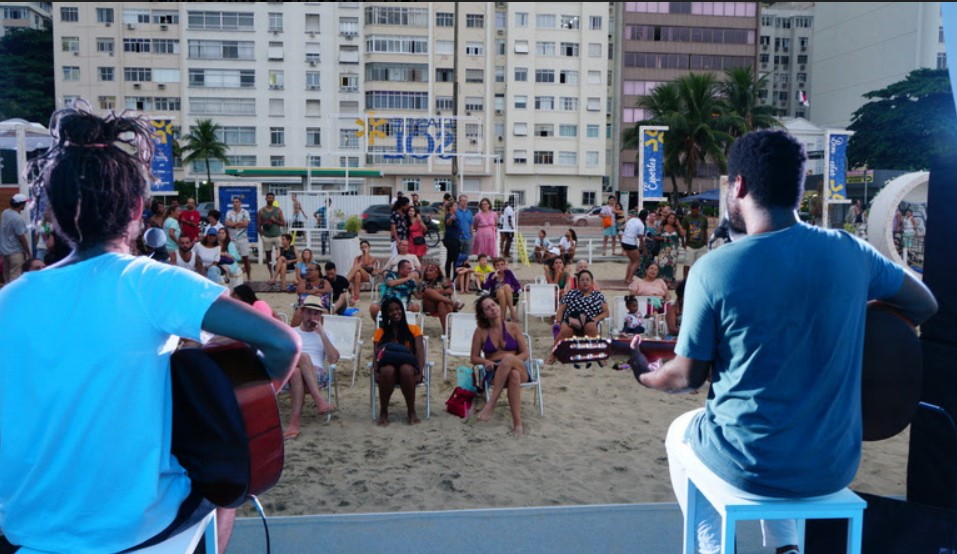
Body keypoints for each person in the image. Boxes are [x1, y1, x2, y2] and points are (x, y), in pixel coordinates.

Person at [0, 106, 301, 554]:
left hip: (28, 535)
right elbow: (281, 341)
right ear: (138, 209)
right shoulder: (146, 281)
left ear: (53, 214)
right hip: (145, 533)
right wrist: (234, 410)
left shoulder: (9, 300)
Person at [630, 129, 937, 554]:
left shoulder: (715, 269)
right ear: (797, 187)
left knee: (682, 431)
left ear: (738, 186)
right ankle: (785, 547)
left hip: (751, 466)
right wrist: (855, 323)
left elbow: (686, 378)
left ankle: (713, 547)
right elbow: (924, 304)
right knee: (784, 421)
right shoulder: (850, 251)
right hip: (834, 466)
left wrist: (647, 376)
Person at [470, 295, 531, 436]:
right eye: (487, 308)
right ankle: (518, 424)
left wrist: (509, 361)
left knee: (509, 360)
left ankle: (490, 404)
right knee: (513, 376)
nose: (492, 308)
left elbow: (525, 354)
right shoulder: (480, 332)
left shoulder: (513, 327)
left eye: (493, 305)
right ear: (483, 314)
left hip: (519, 366)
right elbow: (473, 357)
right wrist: (485, 361)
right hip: (495, 372)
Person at [283, 295, 339, 440]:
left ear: (320, 316)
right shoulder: (292, 333)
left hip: (317, 375)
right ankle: (319, 400)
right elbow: (284, 358)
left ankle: (293, 424)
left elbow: (333, 359)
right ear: (301, 312)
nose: (312, 317)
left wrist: (322, 334)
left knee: (299, 367)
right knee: (300, 361)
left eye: (316, 313)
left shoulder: (326, 334)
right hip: (291, 373)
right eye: (309, 312)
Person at [372, 297, 426, 426]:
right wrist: (375, 371)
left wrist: (420, 370)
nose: (395, 313)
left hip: (408, 371)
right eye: (391, 311)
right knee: (388, 370)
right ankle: (383, 411)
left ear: (402, 309)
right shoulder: (381, 332)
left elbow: (419, 351)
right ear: (386, 314)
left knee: (406, 369)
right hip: (387, 370)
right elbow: (376, 355)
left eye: (398, 309)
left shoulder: (414, 330)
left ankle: (411, 411)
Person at [549, 269, 609, 364]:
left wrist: (596, 318)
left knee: (591, 327)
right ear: (578, 283)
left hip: (589, 319)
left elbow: (606, 313)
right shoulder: (571, 293)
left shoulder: (598, 296)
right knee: (565, 330)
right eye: (582, 280)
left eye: (587, 280)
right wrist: (558, 322)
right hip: (571, 319)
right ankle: (553, 355)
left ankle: (598, 354)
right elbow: (561, 310)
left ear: (592, 282)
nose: (585, 282)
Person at [418, 263, 464, 334]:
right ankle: (452, 302)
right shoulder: (423, 283)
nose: (427, 273)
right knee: (428, 291)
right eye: (426, 271)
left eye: (430, 271)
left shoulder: (443, 280)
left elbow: (450, 291)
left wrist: (435, 294)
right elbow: (423, 294)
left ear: (436, 273)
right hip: (430, 306)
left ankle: (446, 332)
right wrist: (439, 292)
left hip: (445, 306)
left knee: (441, 303)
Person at [0, 194, 31, 285]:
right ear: (21, 205)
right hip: (16, 253)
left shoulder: (5, 213)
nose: (25, 205)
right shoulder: (18, 219)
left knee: (6, 278)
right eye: (24, 203)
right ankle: (13, 298)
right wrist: (28, 253)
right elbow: (21, 237)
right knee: (15, 279)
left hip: (5, 253)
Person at [482, 256, 522, 322]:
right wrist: (493, 277)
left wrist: (513, 290)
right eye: (498, 265)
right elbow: (485, 287)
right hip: (495, 297)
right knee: (503, 289)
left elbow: (517, 285)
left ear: (504, 265)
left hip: (509, 296)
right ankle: (513, 313)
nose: (500, 266)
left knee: (505, 288)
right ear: (494, 267)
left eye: (502, 264)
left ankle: (502, 318)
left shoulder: (508, 273)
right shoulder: (492, 274)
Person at [225, 196, 252, 283]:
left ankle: (249, 277)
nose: (235, 203)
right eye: (233, 202)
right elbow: (227, 223)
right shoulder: (229, 213)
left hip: (242, 238)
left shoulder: (245, 212)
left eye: (237, 202)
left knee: (245, 258)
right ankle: (233, 276)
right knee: (232, 258)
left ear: (240, 203)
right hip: (232, 239)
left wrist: (233, 224)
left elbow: (246, 224)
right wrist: (237, 223)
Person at [258, 192, 286, 275]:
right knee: (268, 256)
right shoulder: (261, 211)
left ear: (274, 199)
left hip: (277, 235)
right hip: (266, 236)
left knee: (281, 255)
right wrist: (261, 235)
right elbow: (258, 224)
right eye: (268, 197)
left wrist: (275, 221)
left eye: (271, 197)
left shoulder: (278, 210)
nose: (270, 199)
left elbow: (283, 223)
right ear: (266, 198)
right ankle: (271, 273)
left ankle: (279, 271)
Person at [680, 200, 709, 280]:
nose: (695, 210)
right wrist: (683, 243)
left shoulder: (703, 218)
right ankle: (685, 280)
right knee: (687, 263)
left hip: (701, 245)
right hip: (690, 245)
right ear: (691, 209)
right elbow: (683, 231)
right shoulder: (686, 218)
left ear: (699, 209)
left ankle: (699, 279)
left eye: (696, 208)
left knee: (700, 264)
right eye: (693, 208)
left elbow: (705, 230)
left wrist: (706, 243)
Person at [620, 210, 646, 285]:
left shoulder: (632, 219)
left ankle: (626, 278)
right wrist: (644, 250)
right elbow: (641, 239)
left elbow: (624, 227)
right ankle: (630, 278)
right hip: (631, 243)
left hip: (624, 241)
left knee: (631, 261)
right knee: (636, 262)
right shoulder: (641, 225)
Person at [442, 195, 462, 281]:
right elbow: (448, 223)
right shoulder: (449, 215)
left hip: (454, 239)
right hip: (452, 240)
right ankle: (452, 278)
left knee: (450, 258)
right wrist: (450, 219)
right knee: (454, 259)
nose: (456, 207)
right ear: (450, 207)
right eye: (455, 206)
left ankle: (449, 277)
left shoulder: (455, 215)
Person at [455, 195, 475, 261]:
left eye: (465, 200)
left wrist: (472, 236)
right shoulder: (456, 212)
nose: (464, 202)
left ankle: (465, 270)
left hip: (468, 238)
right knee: (457, 256)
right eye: (462, 200)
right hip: (458, 238)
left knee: (466, 257)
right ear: (459, 202)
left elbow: (471, 225)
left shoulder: (469, 212)